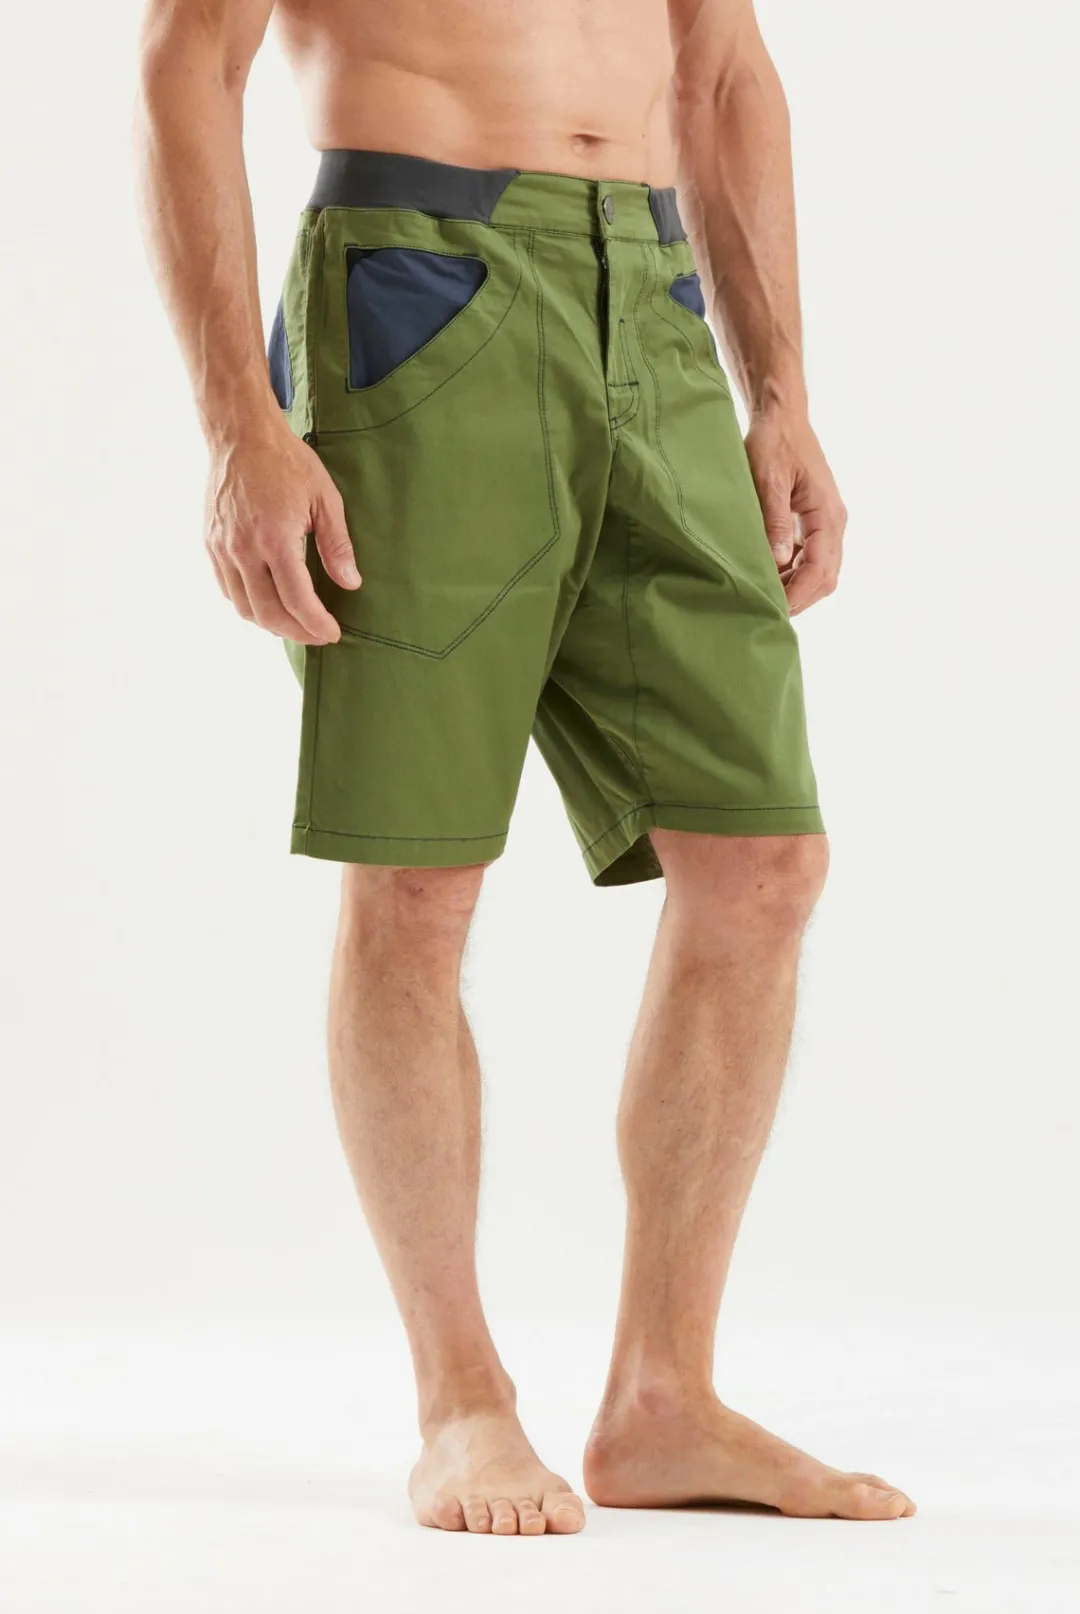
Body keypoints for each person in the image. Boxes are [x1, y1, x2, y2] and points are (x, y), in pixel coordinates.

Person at [136, 0, 913, 1536]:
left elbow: (723, 69)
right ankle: (461, 1402)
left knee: (762, 860)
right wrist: (238, 421)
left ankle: (664, 1399)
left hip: (657, 292)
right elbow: (188, 57)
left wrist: (781, 393)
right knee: (418, 873)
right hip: (418, 279)